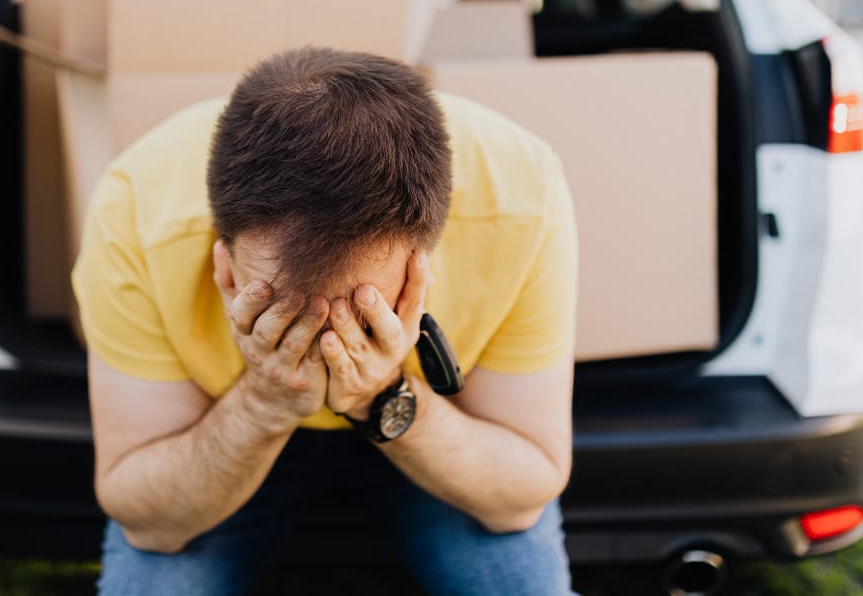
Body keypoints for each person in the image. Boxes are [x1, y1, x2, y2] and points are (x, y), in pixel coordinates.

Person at [73, 46, 579, 595]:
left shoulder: (522, 192)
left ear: (423, 261)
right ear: (224, 262)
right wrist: (266, 401)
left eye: (364, 313)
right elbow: (149, 524)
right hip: (219, 430)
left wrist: (381, 393)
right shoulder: (137, 207)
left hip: (435, 427)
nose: (325, 345)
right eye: (281, 312)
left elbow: (520, 498)